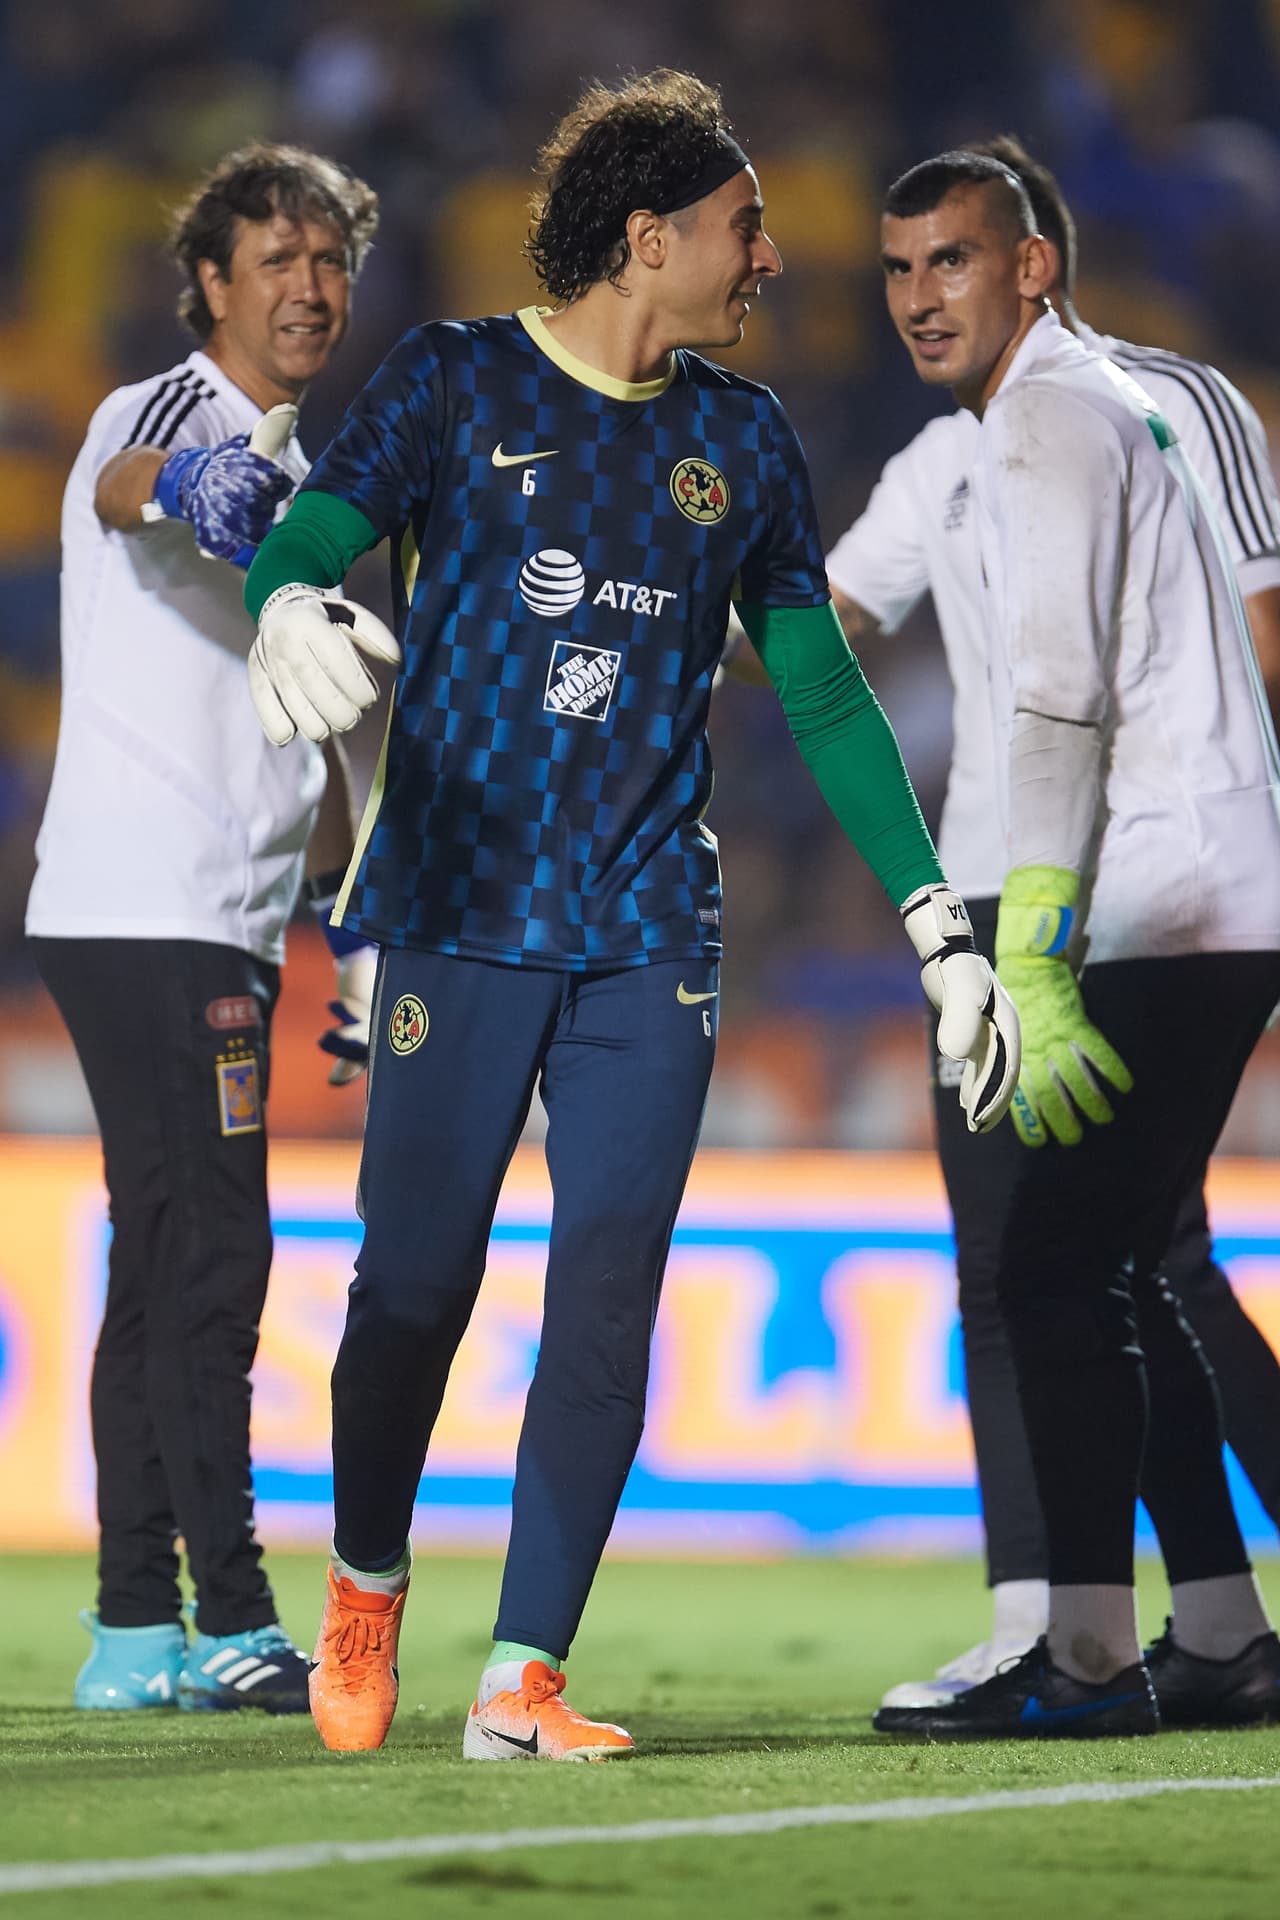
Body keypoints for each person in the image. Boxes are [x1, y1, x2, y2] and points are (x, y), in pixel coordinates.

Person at [241, 69, 1019, 1760]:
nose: (771, 262)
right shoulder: (452, 379)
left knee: (609, 1290)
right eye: (746, 231)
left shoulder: (737, 438)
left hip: (648, 931)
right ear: (648, 235)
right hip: (455, 907)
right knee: (411, 1294)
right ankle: (365, 1585)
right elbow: (304, 534)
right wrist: (286, 602)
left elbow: (820, 698)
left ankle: (524, 1675)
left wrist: (938, 925)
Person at [819, 137, 1280, 1720]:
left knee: (1051, 1275)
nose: (917, 297)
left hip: (1135, 896)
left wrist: (1033, 946)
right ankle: (1216, 1634)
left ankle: (1076, 1650)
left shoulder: (1056, 423)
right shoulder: (1032, 428)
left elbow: (1064, 696)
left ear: (1032, 264)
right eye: (895, 270)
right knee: (1124, 1272)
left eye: (951, 260)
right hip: (1181, 890)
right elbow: (831, 624)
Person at [26, 143, 380, 1713]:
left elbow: (307, 740)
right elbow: (123, 478)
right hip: (145, 906)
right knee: (216, 1252)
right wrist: (193, 483)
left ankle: (131, 1632)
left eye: (329, 259)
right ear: (213, 283)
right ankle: (233, 1611)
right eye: (278, 258)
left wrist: (347, 933)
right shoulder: (172, 412)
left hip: (206, 918)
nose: (308, 285)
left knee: (162, 1259)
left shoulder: (312, 484)